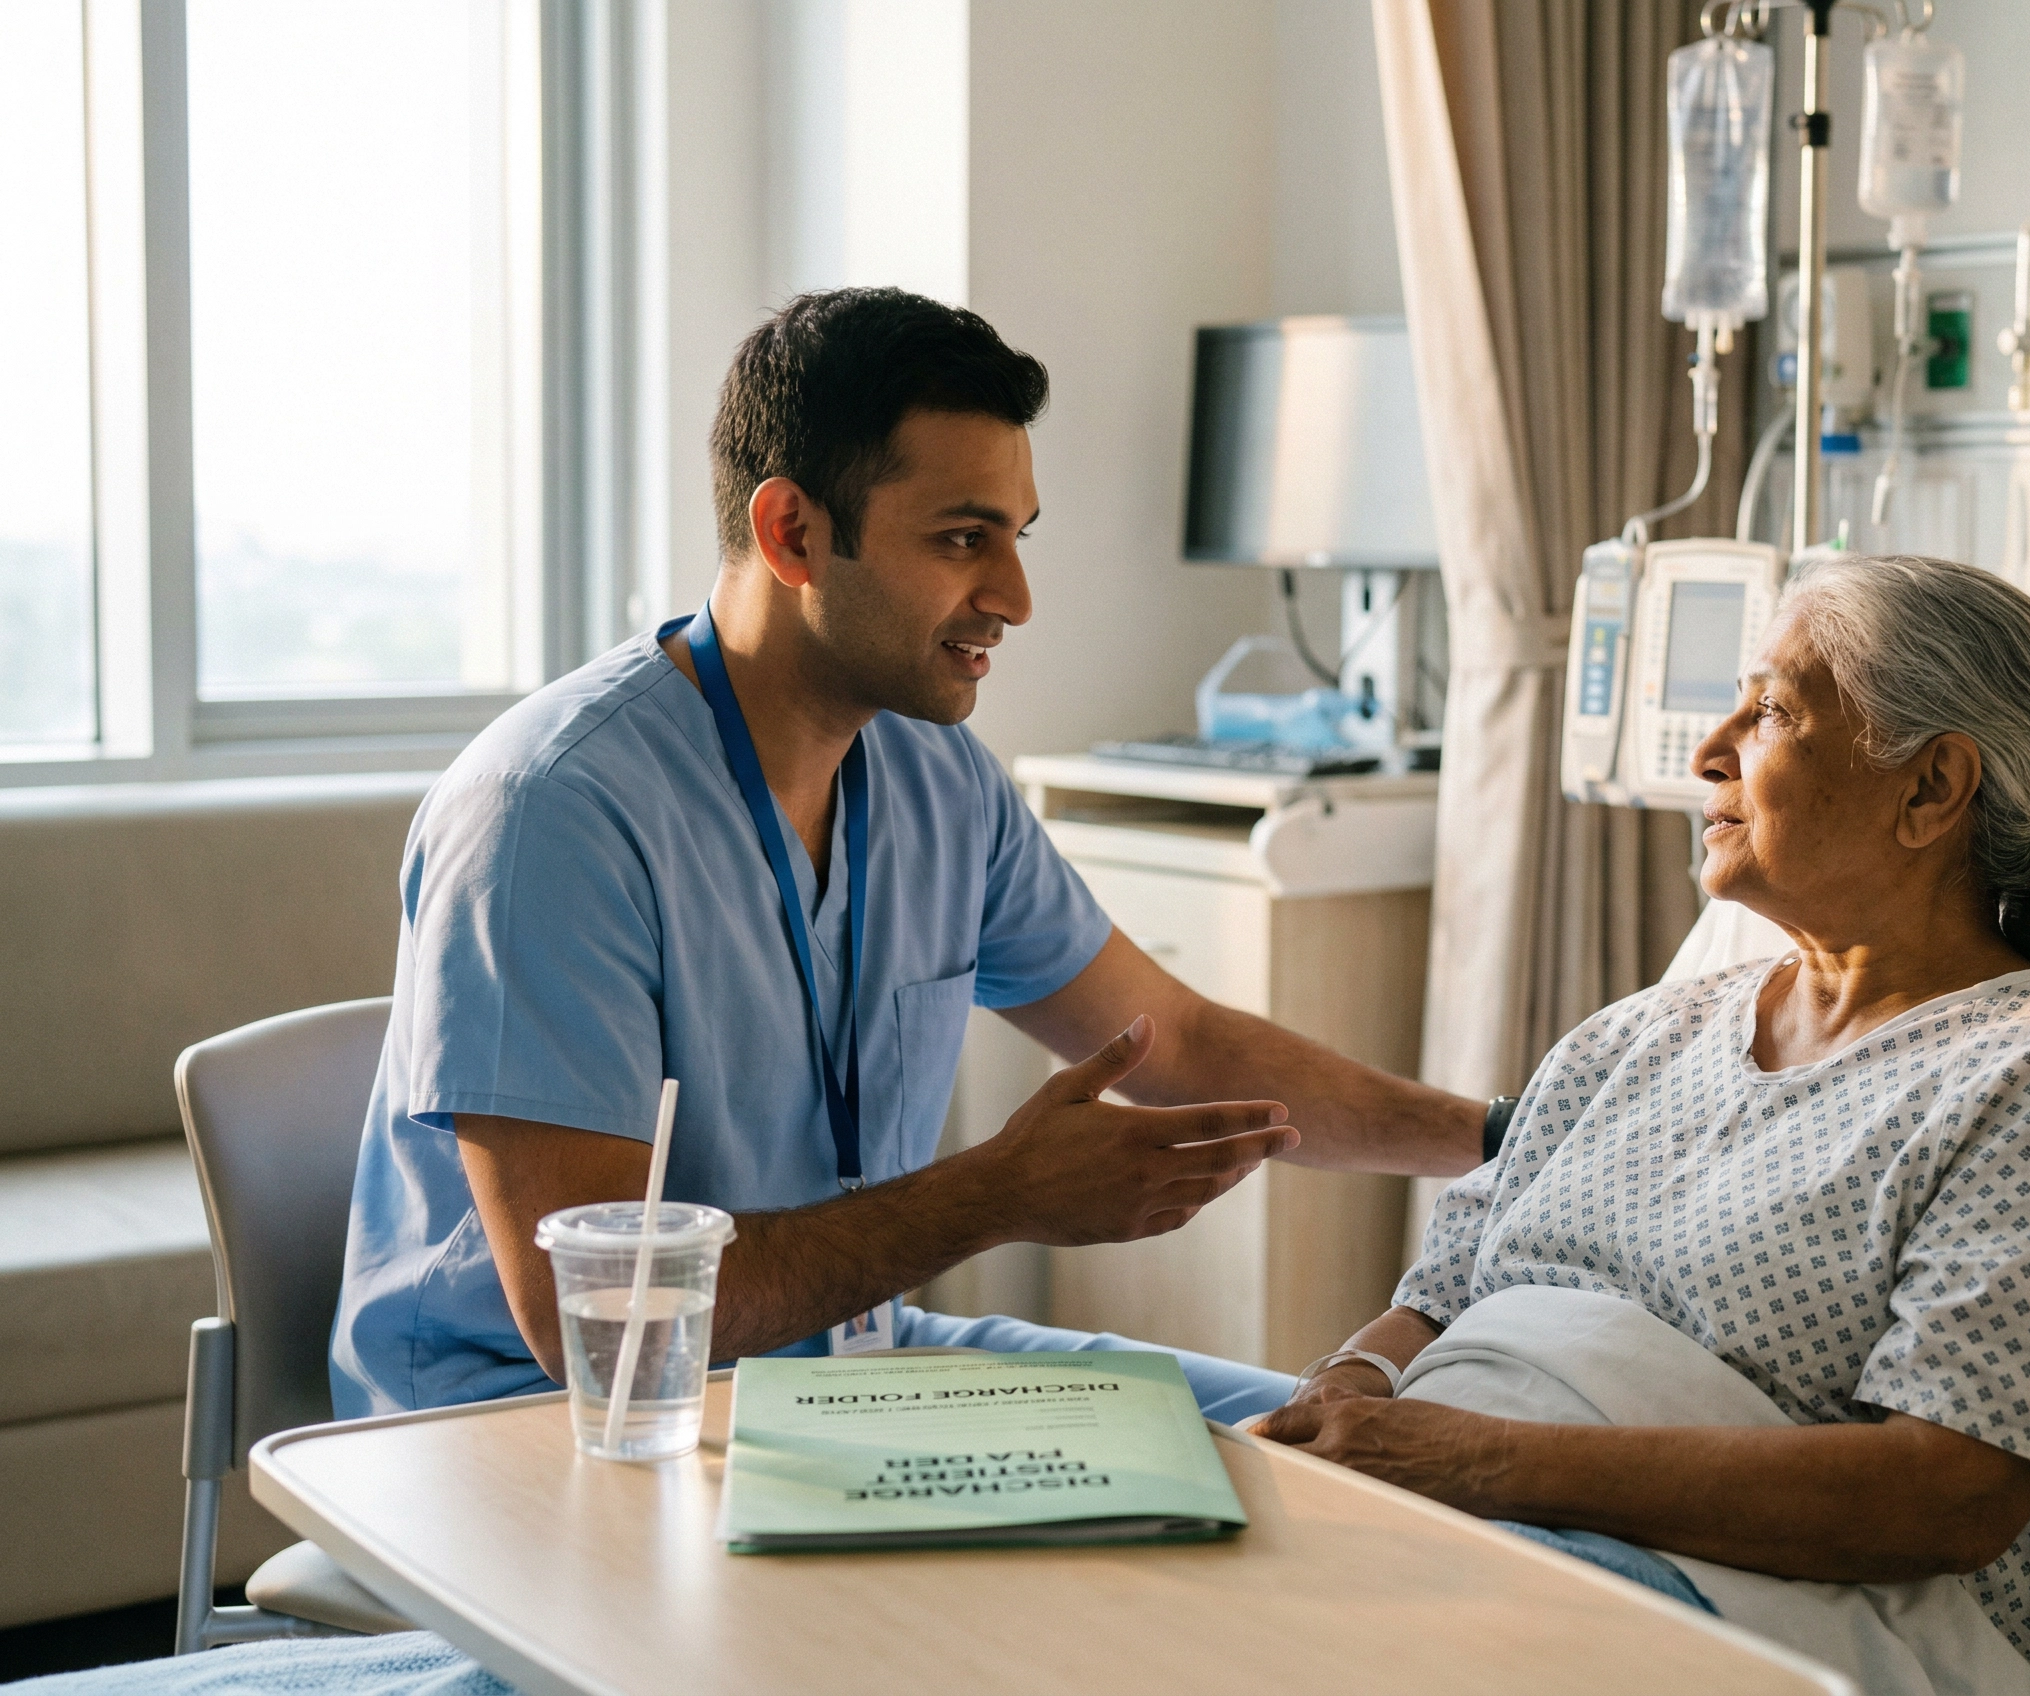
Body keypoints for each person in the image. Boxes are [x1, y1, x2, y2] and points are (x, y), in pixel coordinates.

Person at [331, 287, 1483, 1428]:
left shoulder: (940, 781)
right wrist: (994, 1196)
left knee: (1340, 1450)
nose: (1015, 598)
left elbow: (1172, 1041)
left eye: (1016, 539)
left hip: (842, 1361)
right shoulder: (550, 814)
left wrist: (1496, 1138)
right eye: (962, 538)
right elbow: (605, 1320)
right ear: (792, 532)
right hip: (539, 1424)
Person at [1256, 555, 2030, 1693]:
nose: (1707, 752)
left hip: (1745, 1607)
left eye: (1768, 711)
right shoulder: (1636, 1035)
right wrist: (1349, 1390)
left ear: (1931, 788)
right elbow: (1439, 1296)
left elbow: (1940, 1501)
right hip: (1455, 1499)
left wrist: (1474, 1458)